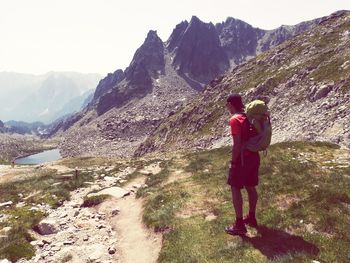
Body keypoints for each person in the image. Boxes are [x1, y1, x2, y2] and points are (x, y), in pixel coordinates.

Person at [225, 93, 260, 236]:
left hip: (242, 160)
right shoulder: (247, 116)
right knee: (250, 187)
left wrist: (233, 162)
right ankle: (251, 217)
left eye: (227, 104)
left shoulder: (235, 119)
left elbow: (237, 144)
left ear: (230, 104)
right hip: (254, 157)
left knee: (235, 187)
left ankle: (239, 224)